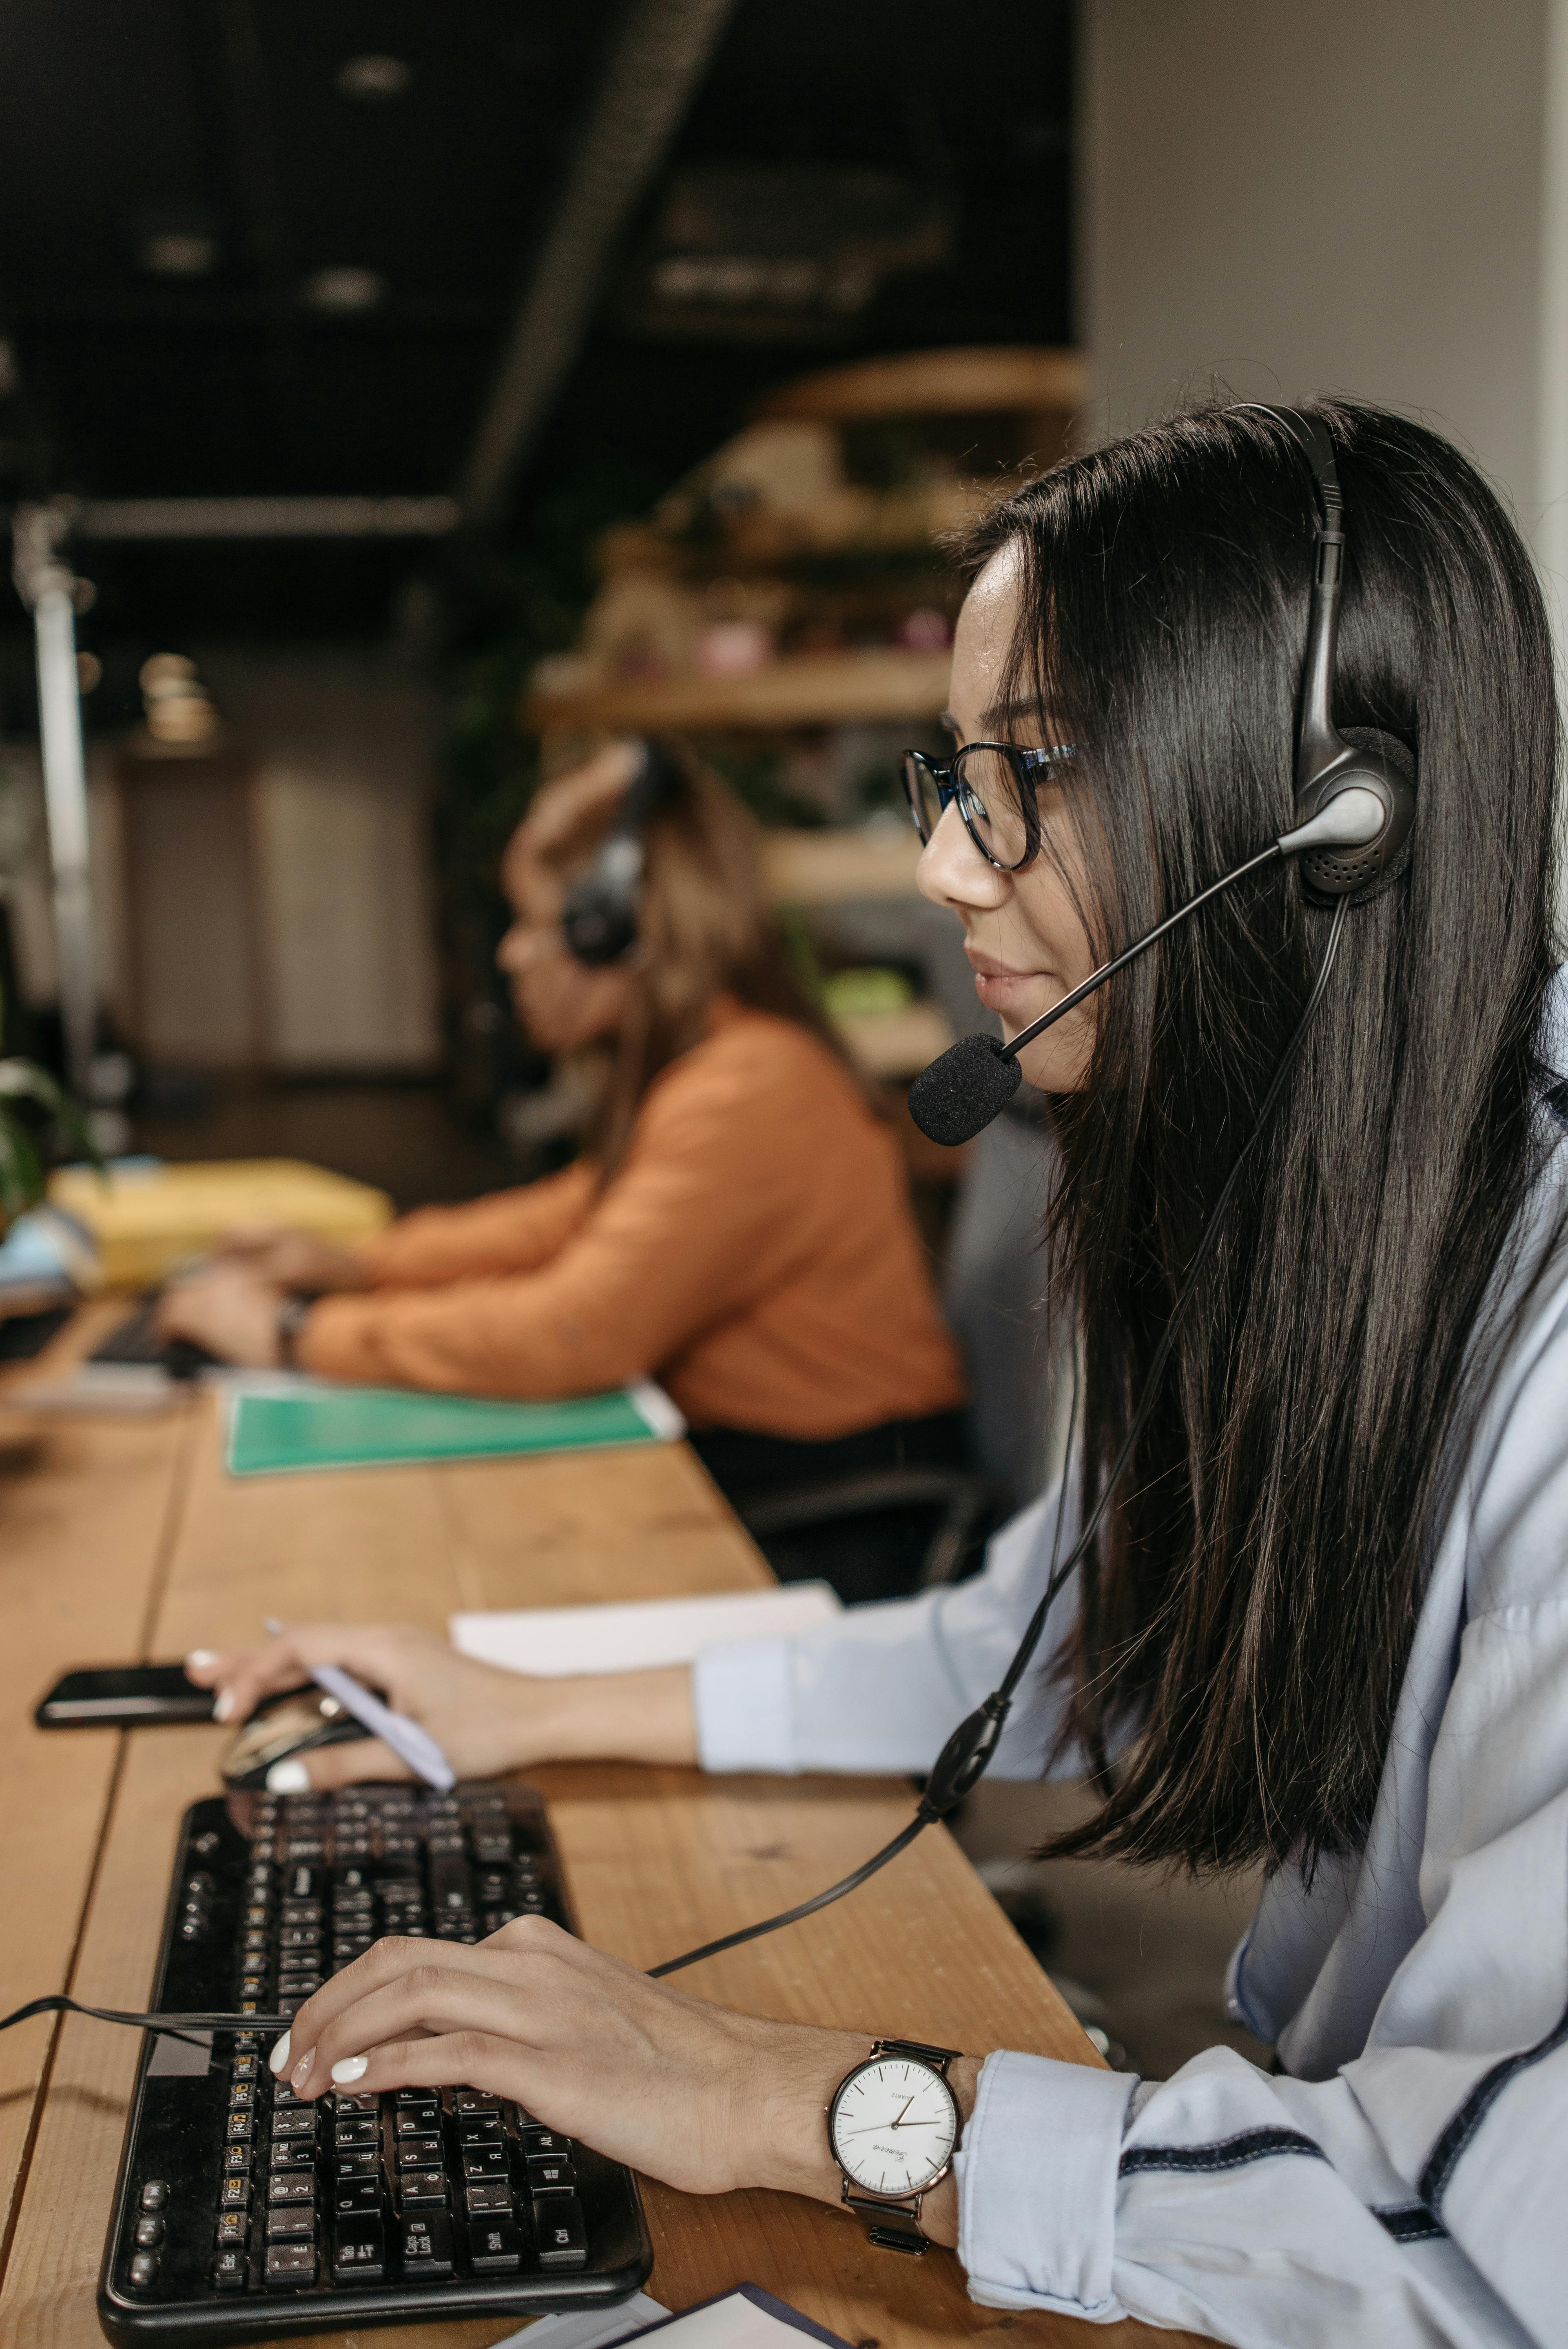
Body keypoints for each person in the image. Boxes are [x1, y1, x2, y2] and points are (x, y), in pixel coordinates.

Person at [188, 403, 1568, 2345]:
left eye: (1028, 770)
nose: (940, 863)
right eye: (952, 769)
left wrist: (781, 2095)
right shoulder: (1269, 1194)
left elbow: (1477, 2248)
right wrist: (520, 1692)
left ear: (1334, 818)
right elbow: (1053, 1648)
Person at [160, 743, 967, 1560]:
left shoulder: (751, 1084)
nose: (512, 953)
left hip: (840, 1503)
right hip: (767, 1459)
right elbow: (570, 1215)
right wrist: (357, 1264)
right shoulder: (714, 1062)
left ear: (611, 929)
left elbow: (574, 1329)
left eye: (535, 922)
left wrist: (295, 1332)